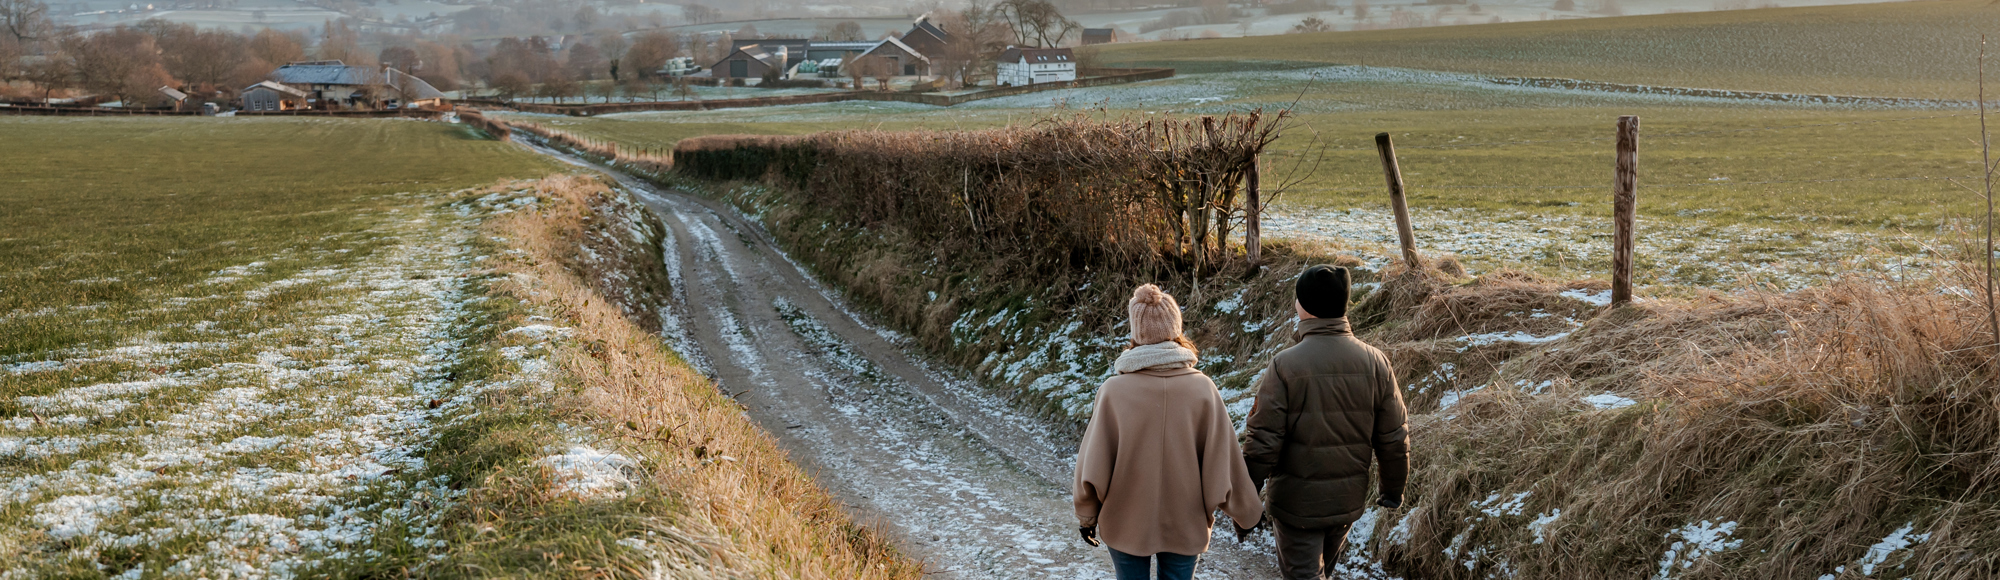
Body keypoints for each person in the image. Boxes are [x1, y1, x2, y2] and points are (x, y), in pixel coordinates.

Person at [1074, 284, 1264, 580]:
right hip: (1186, 523)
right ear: (1176, 328)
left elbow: (1093, 464)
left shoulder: (1114, 391)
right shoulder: (1203, 389)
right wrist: (1247, 513)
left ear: (1136, 333)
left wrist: (1087, 516)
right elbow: (1224, 462)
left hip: (1125, 522)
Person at [1241, 265, 1411, 580]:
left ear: (1305, 307)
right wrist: (1392, 489)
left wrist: (1245, 494)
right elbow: (1394, 437)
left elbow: (1263, 441)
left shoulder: (1285, 365)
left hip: (1296, 506)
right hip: (1345, 502)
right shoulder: (1376, 363)